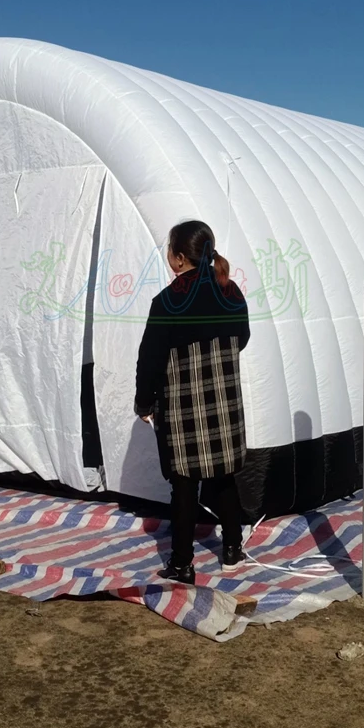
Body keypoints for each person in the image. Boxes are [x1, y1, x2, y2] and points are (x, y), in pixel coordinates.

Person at [135, 220, 251, 584]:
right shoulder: (230, 292)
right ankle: (232, 548)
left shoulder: (167, 301)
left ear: (178, 258)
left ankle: (183, 564)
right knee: (224, 475)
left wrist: (144, 402)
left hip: (184, 405)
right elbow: (243, 337)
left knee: (184, 484)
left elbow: (150, 359)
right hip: (224, 399)